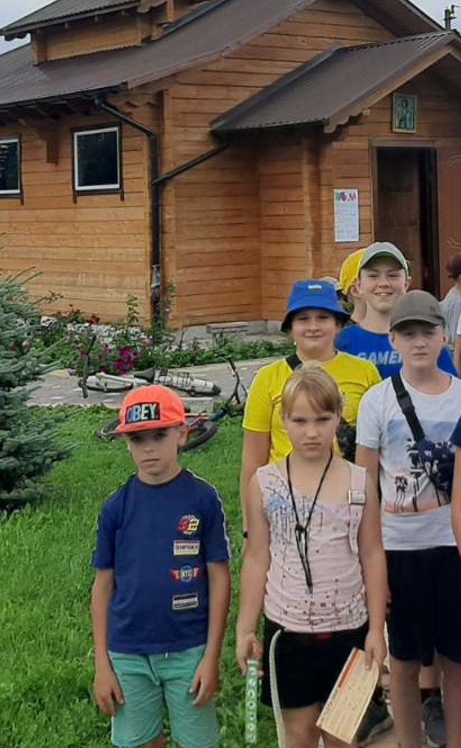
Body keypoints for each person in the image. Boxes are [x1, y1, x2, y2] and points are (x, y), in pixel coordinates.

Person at [355, 291, 461, 748]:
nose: (419, 342)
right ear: (393, 340)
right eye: (407, 334)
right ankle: (409, 740)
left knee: (458, 655)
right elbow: (365, 485)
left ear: (443, 335)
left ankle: (458, 740)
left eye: (427, 332)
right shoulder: (377, 401)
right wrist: (369, 557)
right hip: (399, 546)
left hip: (455, 545)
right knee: (406, 658)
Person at [237, 367, 390, 748]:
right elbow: (257, 556)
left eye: (322, 420)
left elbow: (372, 554)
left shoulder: (360, 481)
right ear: (283, 420)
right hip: (288, 634)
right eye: (299, 420)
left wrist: (376, 629)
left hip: (349, 631)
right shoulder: (265, 483)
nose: (311, 432)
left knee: (343, 735)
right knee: (299, 734)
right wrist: (245, 629)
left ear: (338, 417)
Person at [91, 385, 233, 748]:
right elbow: (103, 585)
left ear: (182, 434)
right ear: (126, 443)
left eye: (159, 435)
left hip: (188, 650)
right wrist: (103, 665)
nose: (149, 447)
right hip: (128, 653)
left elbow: (220, 578)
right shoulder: (115, 507)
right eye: (138, 439)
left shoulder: (203, 499)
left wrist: (211, 657)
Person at [242, 280, 382, 502]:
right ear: (290, 328)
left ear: (338, 325)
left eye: (323, 318)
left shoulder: (365, 372)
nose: (313, 326)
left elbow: (379, 445)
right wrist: (250, 526)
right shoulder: (268, 378)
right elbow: (252, 461)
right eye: (303, 319)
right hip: (285, 496)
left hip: (347, 495)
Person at [339, 242, 457, 379]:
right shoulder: (343, 341)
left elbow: (452, 393)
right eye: (373, 276)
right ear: (358, 286)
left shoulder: (426, 340)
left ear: (406, 283)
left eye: (393, 275)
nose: (383, 283)